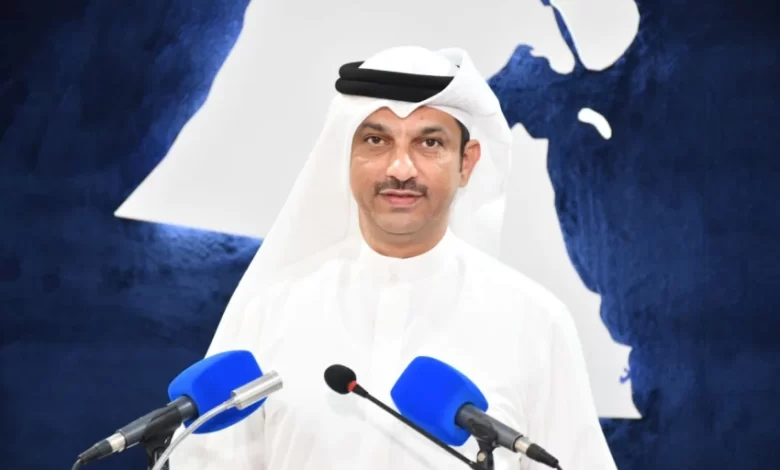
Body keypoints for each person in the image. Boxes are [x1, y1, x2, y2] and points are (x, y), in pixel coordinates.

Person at [170, 45, 617, 470]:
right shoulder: (271, 310)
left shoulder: (533, 322)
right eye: (375, 140)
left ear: (467, 163)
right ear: (346, 155)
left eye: (429, 143)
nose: (400, 169)